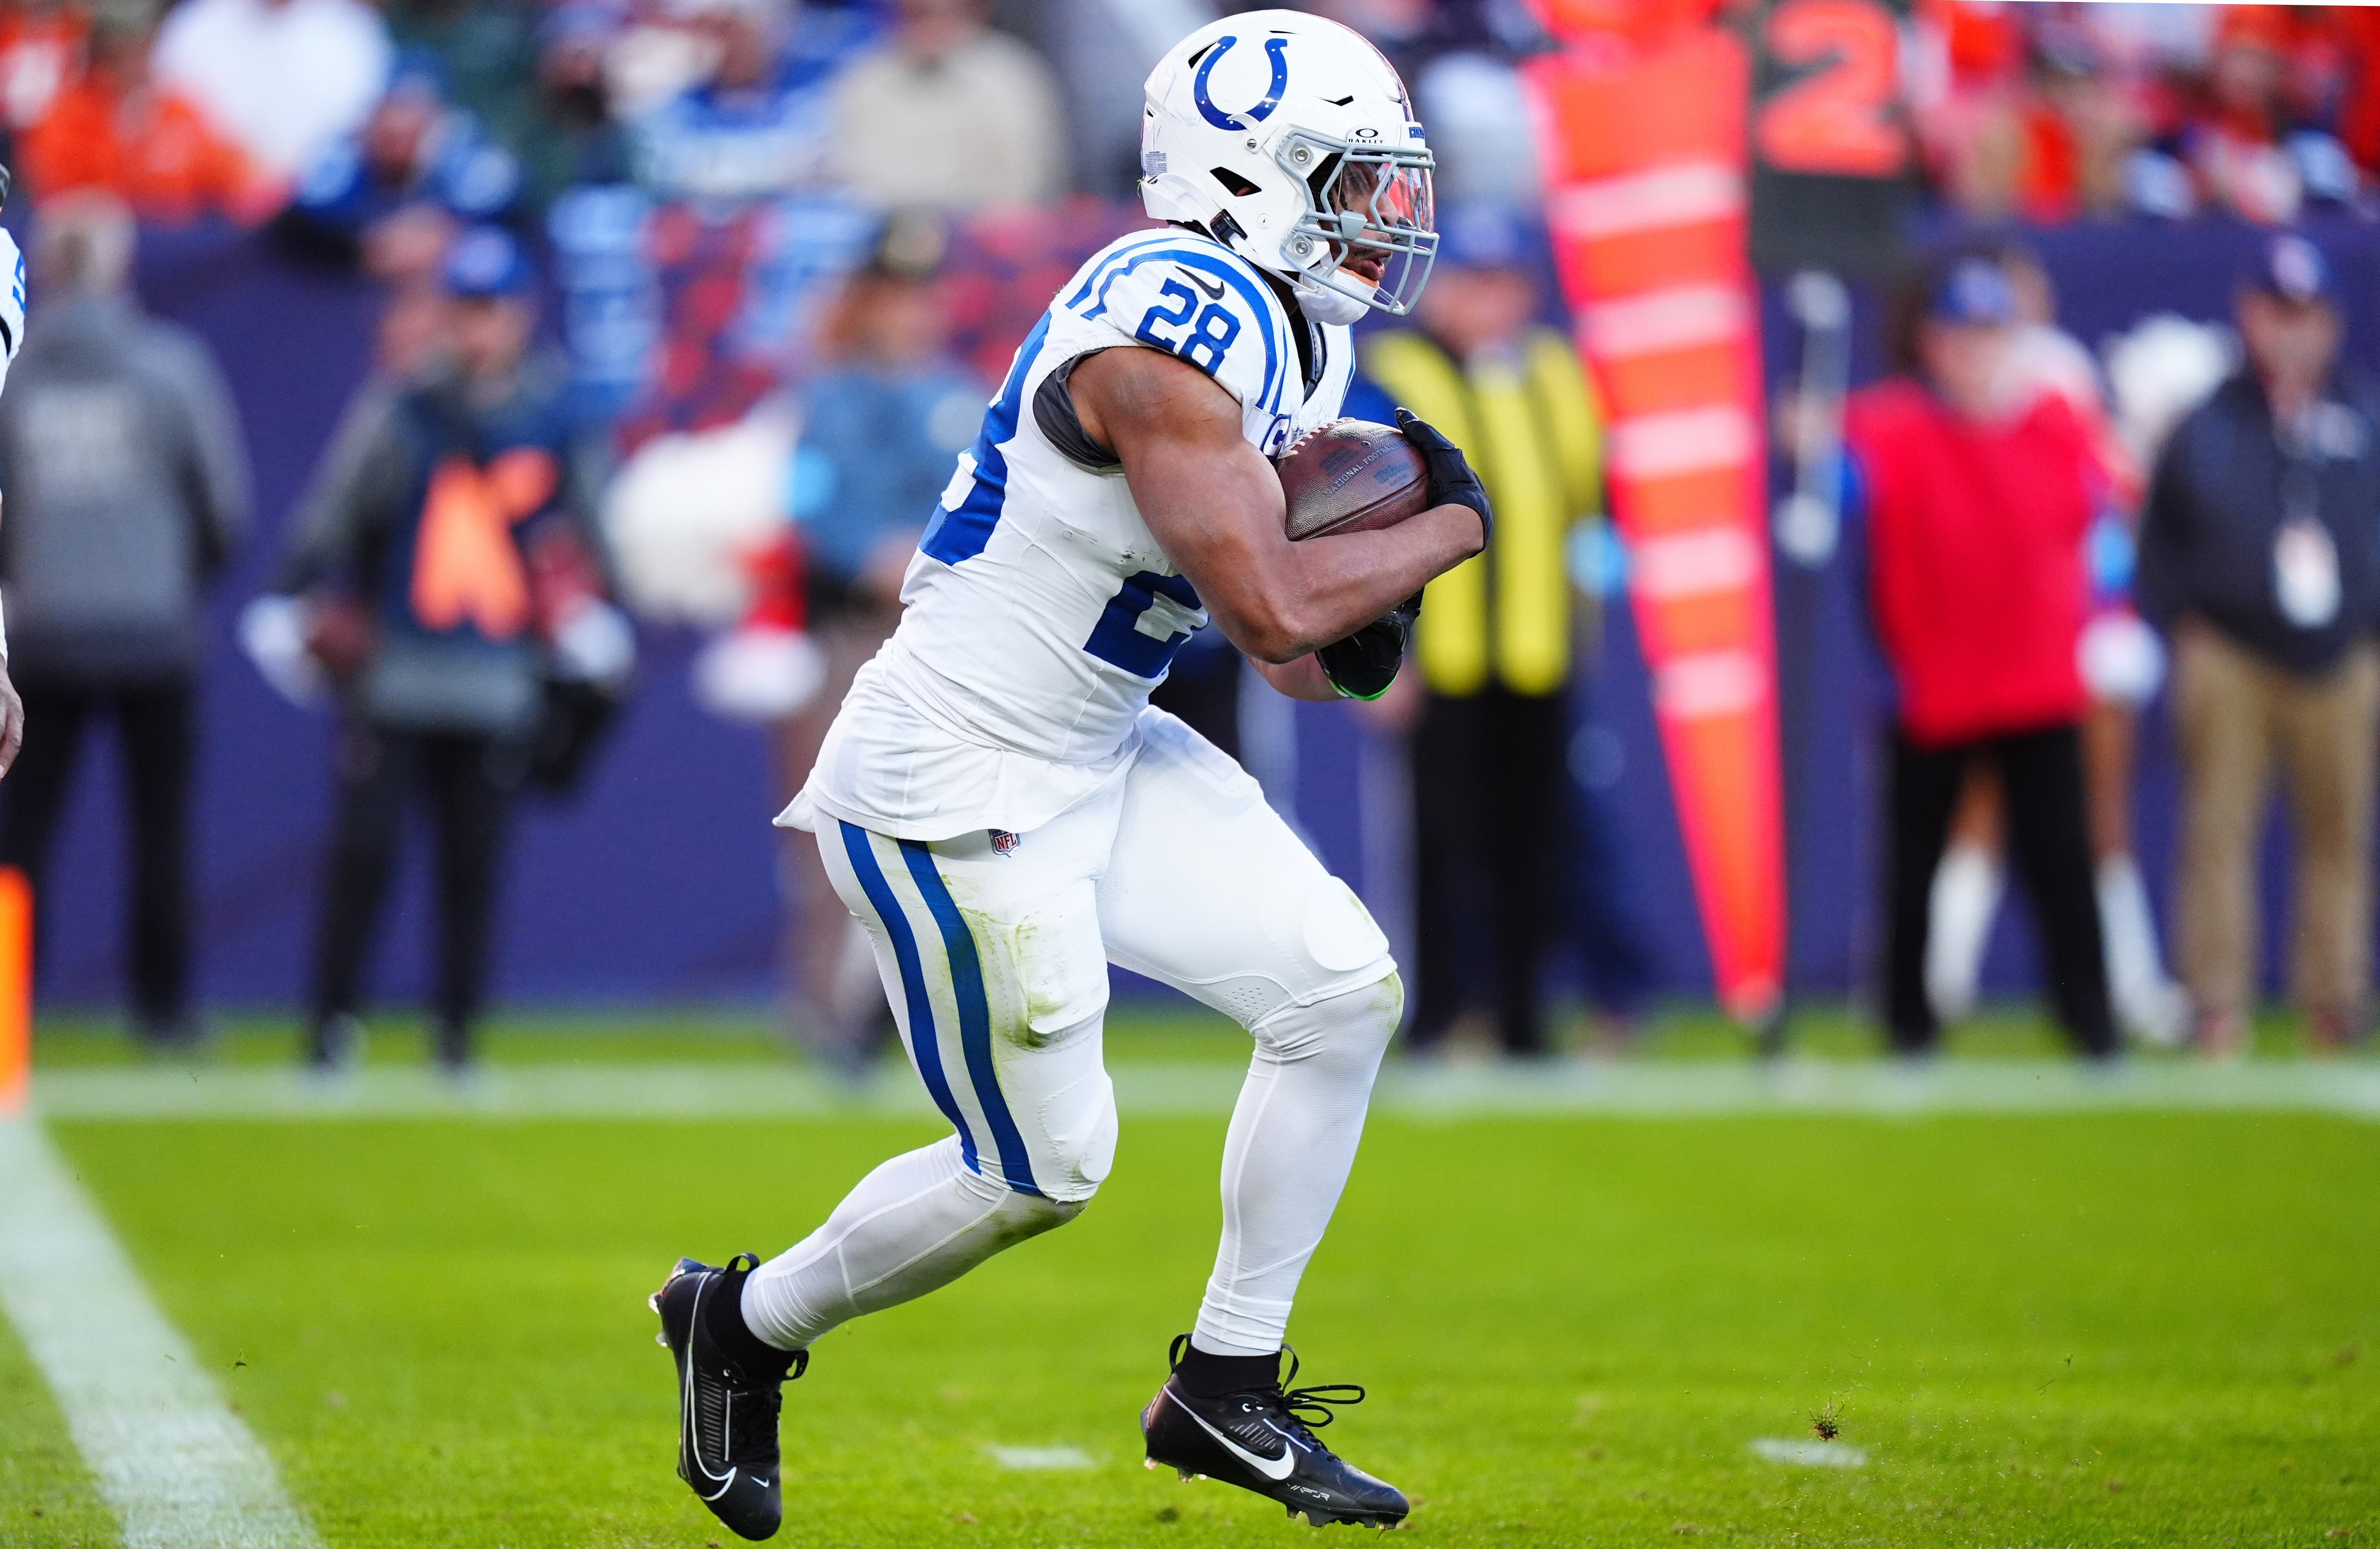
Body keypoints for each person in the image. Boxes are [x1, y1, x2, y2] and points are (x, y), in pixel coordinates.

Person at [649, 12, 1483, 1540]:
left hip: (1098, 733)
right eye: (1354, 184)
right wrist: (1445, 522)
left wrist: (1368, 587)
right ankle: (741, 1322)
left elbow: (1304, 655)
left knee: (1338, 991)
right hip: (955, 773)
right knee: (1042, 1167)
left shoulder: (1297, 325)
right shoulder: (1169, 309)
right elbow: (1270, 612)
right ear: (1249, 177)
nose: (1385, 220)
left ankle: (1227, 1385)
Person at [262, 227, 608, 1073]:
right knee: (366, 857)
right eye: (466, 309)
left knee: (474, 864)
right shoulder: (405, 406)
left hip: (499, 674)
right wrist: (296, 589)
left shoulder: (556, 413)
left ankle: (456, 1034)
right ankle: (331, 1026)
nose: (479, 328)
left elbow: (594, 534)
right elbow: (337, 509)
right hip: (399, 671)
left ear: (520, 315)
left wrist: (595, 604)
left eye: (491, 310)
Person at [1359, 204, 1646, 1056]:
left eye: (1503, 285)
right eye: (1472, 284)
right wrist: (1376, 656)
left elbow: (1593, 503)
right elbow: (1358, 523)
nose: (1489, 303)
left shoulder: (1555, 372)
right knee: (1443, 847)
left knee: (1536, 842)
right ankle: (1443, 1014)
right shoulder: (1395, 374)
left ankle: (1525, 1017)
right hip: (1440, 654)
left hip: (1537, 649)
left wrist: (1596, 589)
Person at [1845, 250, 2115, 1060]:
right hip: (1934, 686)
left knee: (2062, 865)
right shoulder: (1889, 426)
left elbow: (2100, 523)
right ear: (1930, 344)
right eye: (1959, 335)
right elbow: (1826, 468)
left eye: (1989, 334)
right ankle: (1906, 1029)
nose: (1973, 352)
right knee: (1913, 869)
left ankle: (2092, 1028)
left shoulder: (2058, 426)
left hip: (2037, 684)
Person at [0, 192, 250, 1049]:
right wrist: (169, 582)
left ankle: (6, 1005)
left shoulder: (18, 374)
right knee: (162, 833)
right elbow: (223, 508)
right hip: (152, 629)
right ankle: (165, 1009)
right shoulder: (171, 367)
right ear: (119, 263)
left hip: (40, 633)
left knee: (19, 833)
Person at [2135, 233, 2380, 1059]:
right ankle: (2215, 1003)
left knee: (2340, 833)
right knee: (2216, 830)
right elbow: (2157, 539)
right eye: (2278, 312)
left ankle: (2334, 998)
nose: (2292, 331)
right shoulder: (2208, 419)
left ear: (2332, 322)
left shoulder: (2364, 414)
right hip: (2230, 651)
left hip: (2341, 655)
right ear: (2248, 315)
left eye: (2307, 314)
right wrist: (2184, 624)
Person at [774, 211, 982, 1070]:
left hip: (949, 637)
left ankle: (912, 1017)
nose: (911, 311)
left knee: (956, 835)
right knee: (839, 826)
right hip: (857, 629)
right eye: (895, 294)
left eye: (922, 294)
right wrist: (875, 552)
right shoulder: (827, 395)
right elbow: (809, 505)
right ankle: (824, 1010)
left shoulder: (960, 395)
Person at [828, 0, 1064, 212]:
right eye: (920, 14)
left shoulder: (1011, 76)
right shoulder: (866, 77)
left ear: (976, 11)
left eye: (945, 13)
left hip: (980, 238)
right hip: (880, 236)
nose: (932, 27)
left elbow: (1027, 187)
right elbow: (850, 177)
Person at [151, 0, 392, 181]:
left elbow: (360, 126)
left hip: (311, 202)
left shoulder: (351, 30)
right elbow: (166, 108)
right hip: (203, 194)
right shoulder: (198, 21)